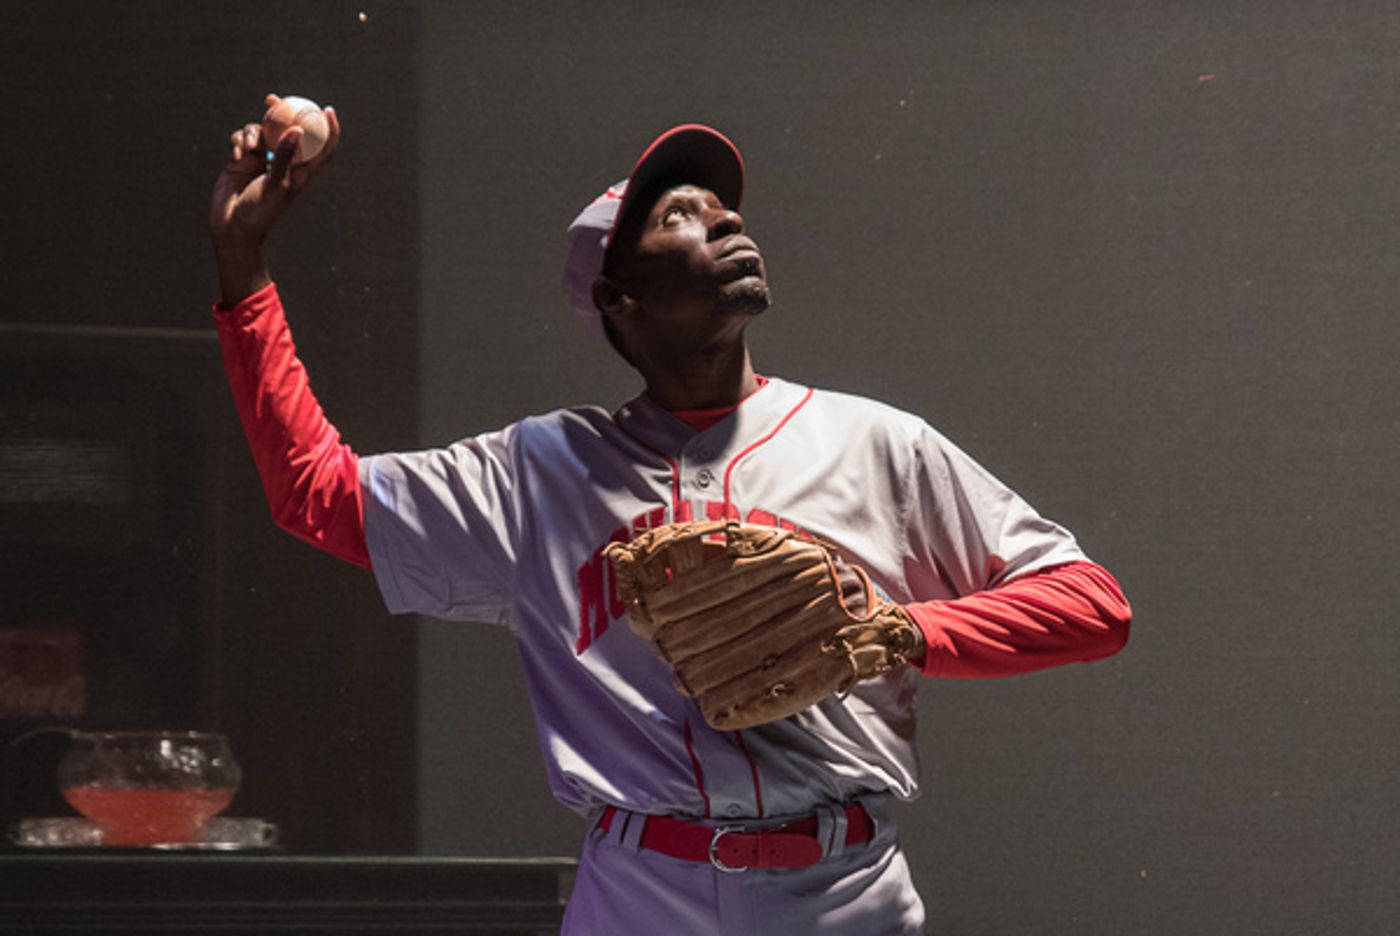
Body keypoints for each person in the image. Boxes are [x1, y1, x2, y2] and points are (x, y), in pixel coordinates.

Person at [209, 108, 1131, 935]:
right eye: (679, 216)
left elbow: (1093, 604)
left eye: (726, 211)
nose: (728, 221)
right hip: (639, 894)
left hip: (843, 892)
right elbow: (315, 493)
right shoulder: (542, 471)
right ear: (620, 298)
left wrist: (900, 631)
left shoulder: (874, 442)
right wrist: (243, 267)